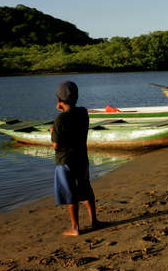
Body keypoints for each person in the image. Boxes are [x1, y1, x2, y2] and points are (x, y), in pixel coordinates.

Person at [50, 81, 101, 236]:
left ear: (59, 99)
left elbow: (56, 145)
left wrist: (52, 131)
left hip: (65, 161)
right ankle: (94, 221)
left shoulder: (60, 120)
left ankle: (75, 227)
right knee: (86, 188)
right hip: (82, 158)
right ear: (76, 97)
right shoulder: (83, 112)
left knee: (70, 193)